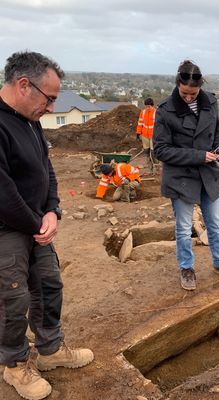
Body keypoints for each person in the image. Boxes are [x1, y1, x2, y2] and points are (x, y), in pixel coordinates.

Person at [0, 51, 94, 400]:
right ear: (24, 85)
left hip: (37, 224)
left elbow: (46, 170)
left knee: (49, 284)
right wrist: (36, 224)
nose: (52, 108)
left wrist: (52, 211)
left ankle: (51, 350)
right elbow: (4, 193)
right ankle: (14, 365)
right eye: (49, 99)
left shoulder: (30, 120)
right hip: (7, 229)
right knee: (12, 297)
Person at [153, 60, 219, 291]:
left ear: (200, 87)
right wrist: (199, 156)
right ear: (178, 85)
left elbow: (218, 132)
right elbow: (161, 150)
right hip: (181, 177)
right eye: (184, 93)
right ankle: (187, 268)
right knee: (184, 228)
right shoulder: (165, 110)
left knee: (214, 223)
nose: (189, 98)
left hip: (208, 174)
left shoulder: (210, 102)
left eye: (193, 93)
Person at [136, 97, 156, 162]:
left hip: (153, 135)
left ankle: (154, 162)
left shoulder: (156, 113)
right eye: (146, 106)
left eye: (149, 106)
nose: (147, 108)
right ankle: (148, 161)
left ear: (152, 105)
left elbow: (159, 125)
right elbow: (140, 123)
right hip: (144, 135)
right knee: (146, 149)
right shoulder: (143, 112)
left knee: (153, 150)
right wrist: (138, 133)